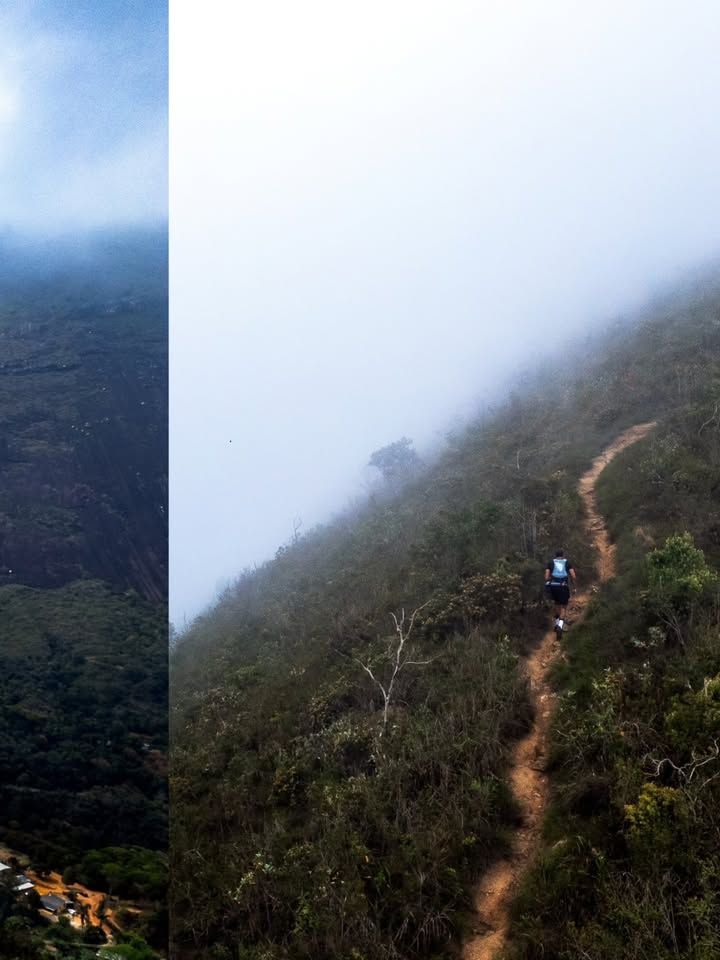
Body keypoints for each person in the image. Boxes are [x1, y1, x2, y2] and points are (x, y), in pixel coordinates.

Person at [545, 550, 576, 633]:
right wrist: (573, 586)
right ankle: (560, 626)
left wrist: (551, 581)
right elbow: (573, 576)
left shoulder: (550, 563)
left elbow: (546, 577)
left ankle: (556, 624)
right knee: (563, 607)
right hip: (563, 586)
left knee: (557, 605)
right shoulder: (567, 562)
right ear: (563, 555)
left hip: (553, 586)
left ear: (555, 556)